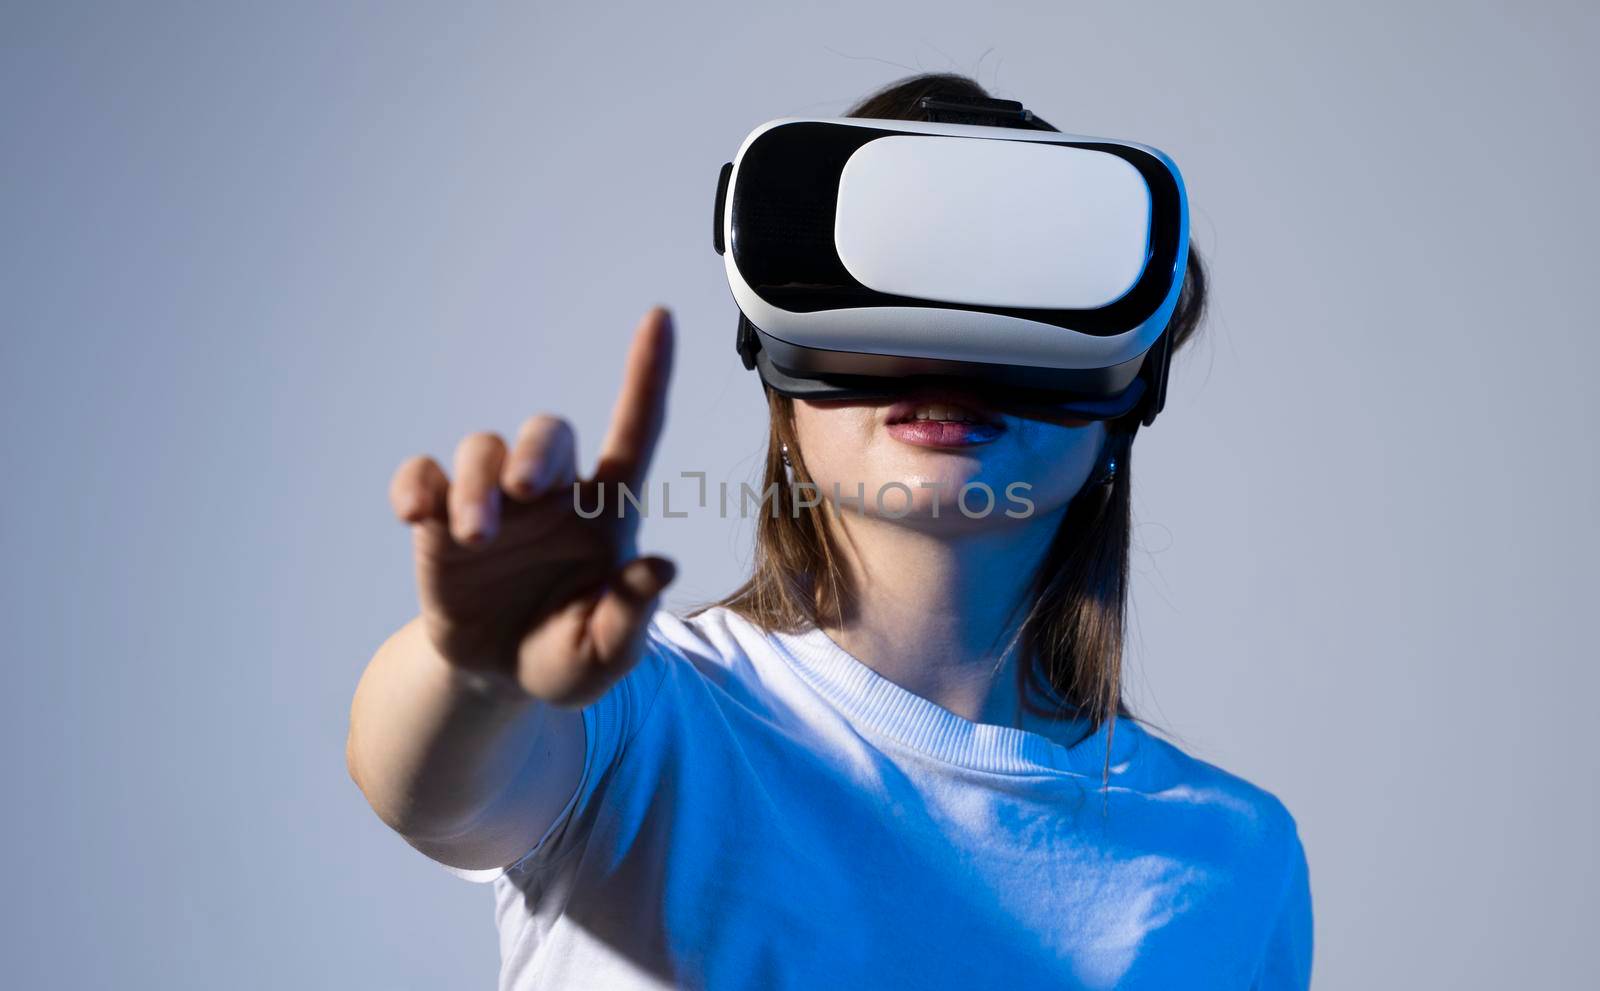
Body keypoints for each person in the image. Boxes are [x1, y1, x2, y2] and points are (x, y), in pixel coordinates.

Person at [346, 74, 1314, 990]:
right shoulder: (645, 716)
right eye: (899, 284)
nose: (947, 353)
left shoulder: (1232, 856)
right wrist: (474, 672)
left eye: (1015, 291)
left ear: (1125, 396)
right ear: (779, 374)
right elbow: (430, 791)